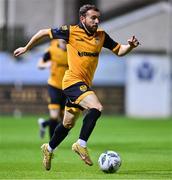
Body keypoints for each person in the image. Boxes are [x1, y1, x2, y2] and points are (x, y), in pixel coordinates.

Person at [14, 4, 140, 171]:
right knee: (96, 107)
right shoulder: (71, 31)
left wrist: (130, 46)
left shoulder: (101, 36)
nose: (97, 21)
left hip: (83, 84)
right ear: (83, 19)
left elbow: (119, 50)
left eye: (98, 18)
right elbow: (44, 32)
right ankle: (80, 144)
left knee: (67, 124)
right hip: (72, 81)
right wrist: (26, 48)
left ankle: (49, 148)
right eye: (93, 18)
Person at [37, 39, 68, 139]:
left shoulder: (72, 51)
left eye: (67, 42)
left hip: (67, 87)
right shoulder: (51, 50)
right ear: (59, 41)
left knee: (64, 119)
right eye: (63, 42)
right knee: (54, 116)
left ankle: (44, 124)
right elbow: (39, 64)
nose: (65, 44)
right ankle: (52, 144)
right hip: (54, 86)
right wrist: (46, 65)